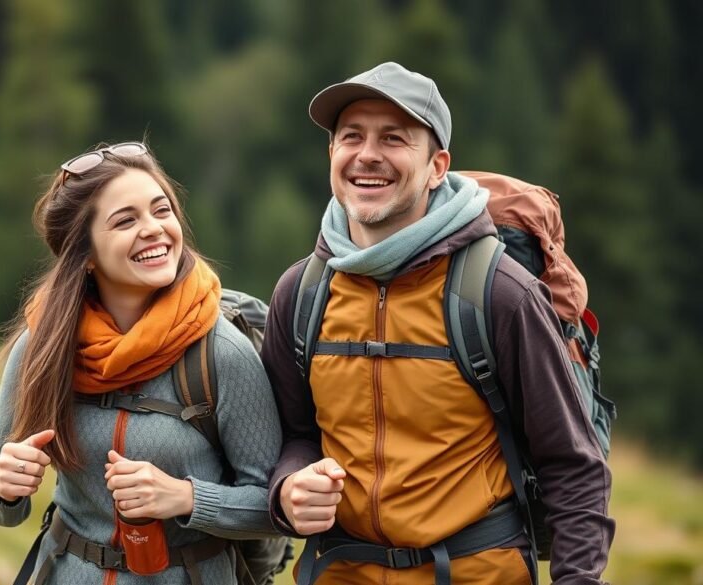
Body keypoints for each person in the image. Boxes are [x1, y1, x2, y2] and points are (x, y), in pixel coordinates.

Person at [262, 62, 615, 584]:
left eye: (394, 138)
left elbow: (574, 467)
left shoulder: (498, 293)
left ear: (436, 166)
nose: (367, 154)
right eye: (351, 136)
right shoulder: (302, 293)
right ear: (331, 155)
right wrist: (289, 486)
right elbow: (294, 434)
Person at [0, 141, 282, 585]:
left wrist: (185, 498)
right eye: (126, 221)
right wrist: (3, 487)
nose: (155, 229)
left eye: (162, 211)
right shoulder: (43, 345)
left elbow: (276, 508)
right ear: (85, 256)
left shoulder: (223, 352)